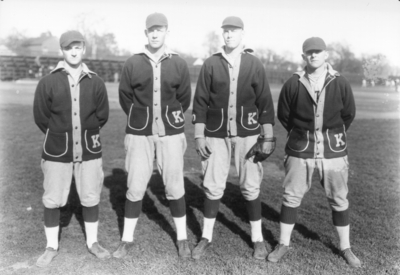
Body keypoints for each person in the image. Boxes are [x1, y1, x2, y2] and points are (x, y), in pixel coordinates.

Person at [268, 37, 361, 268]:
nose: (314, 55)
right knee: (291, 196)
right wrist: (302, 134)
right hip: (301, 148)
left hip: (333, 150)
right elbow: (284, 115)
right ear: (303, 56)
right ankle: (283, 243)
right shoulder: (294, 82)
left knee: (339, 199)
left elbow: (348, 113)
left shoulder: (340, 82)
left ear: (326, 54)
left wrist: (329, 136)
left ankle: (345, 247)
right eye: (309, 52)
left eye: (318, 51)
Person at [191, 16, 275, 260]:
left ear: (242, 34)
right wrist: (199, 135)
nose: (229, 35)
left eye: (233, 31)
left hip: (247, 134)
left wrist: (267, 135)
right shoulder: (211, 63)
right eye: (225, 31)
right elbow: (200, 101)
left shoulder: (254, 63)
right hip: (215, 133)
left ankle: (257, 239)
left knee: (250, 184)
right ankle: (206, 236)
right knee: (213, 184)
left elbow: (265, 102)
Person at [116, 13, 192, 258]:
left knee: (174, 184)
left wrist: (168, 119)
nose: (155, 34)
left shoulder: (179, 63)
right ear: (146, 33)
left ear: (167, 31)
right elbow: (125, 97)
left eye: (160, 30)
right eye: (151, 30)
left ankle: (181, 238)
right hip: (140, 133)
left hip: (171, 132)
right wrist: (141, 119)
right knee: (136, 184)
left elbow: (184, 99)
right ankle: (127, 239)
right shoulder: (133, 62)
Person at [33, 30, 110, 267]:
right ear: (62, 51)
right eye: (69, 48)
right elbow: (41, 116)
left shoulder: (95, 81)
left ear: (84, 48)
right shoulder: (48, 81)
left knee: (90, 195)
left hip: (88, 149)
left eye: (78, 47)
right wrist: (59, 134)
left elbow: (102, 115)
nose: (74, 51)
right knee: (53, 198)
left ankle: (93, 242)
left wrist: (83, 133)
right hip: (58, 150)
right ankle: (51, 246)